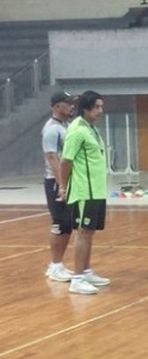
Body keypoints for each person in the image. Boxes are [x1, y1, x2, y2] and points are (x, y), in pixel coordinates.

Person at [58, 91, 111, 295]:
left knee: (90, 232)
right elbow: (66, 161)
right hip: (84, 191)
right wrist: (63, 187)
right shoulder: (77, 130)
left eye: (101, 107)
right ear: (86, 107)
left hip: (96, 191)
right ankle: (77, 278)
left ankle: (86, 271)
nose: (100, 111)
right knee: (83, 232)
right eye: (97, 107)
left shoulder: (91, 129)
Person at [43, 91, 75, 282]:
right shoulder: (51, 129)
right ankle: (54, 265)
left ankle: (59, 264)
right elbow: (52, 157)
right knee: (59, 223)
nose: (71, 106)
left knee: (67, 224)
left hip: (66, 181)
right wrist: (61, 183)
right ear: (56, 106)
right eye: (68, 103)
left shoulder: (66, 126)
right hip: (55, 182)